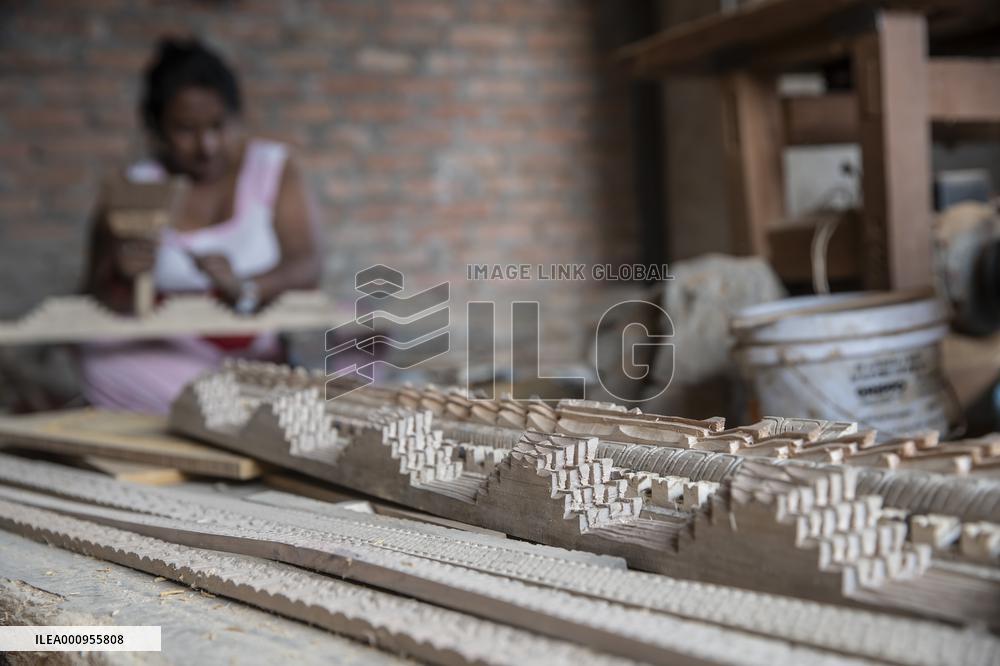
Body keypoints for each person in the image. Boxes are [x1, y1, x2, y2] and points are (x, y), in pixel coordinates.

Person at [80, 37, 322, 414]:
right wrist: (122, 276)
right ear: (156, 129)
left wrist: (246, 288)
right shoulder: (134, 189)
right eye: (185, 130)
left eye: (218, 125)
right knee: (103, 366)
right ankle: (241, 410)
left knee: (362, 344)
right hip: (170, 358)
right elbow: (94, 297)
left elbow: (308, 265)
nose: (206, 145)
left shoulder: (273, 168)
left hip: (257, 351)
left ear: (237, 117)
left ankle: (230, 408)